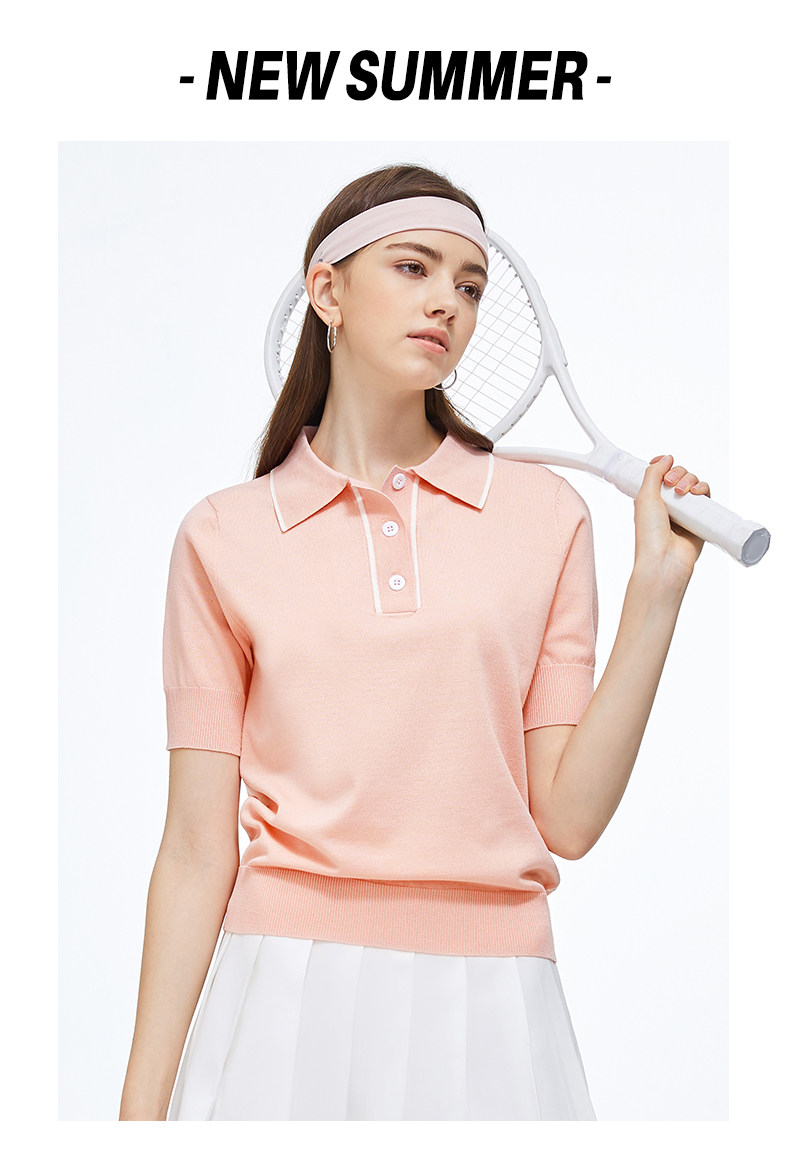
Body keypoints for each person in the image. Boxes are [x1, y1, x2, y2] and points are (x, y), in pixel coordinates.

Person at [119, 163, 711, 1122]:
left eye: (470, 286)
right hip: (285, 997)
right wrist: (136, 1118)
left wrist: (658, 592)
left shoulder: (545, 517)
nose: (447, 302)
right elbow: (194, 848)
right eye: (413, 267)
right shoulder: (224, 536)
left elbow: (566, 818)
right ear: (327, 292)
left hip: (496, 1004)